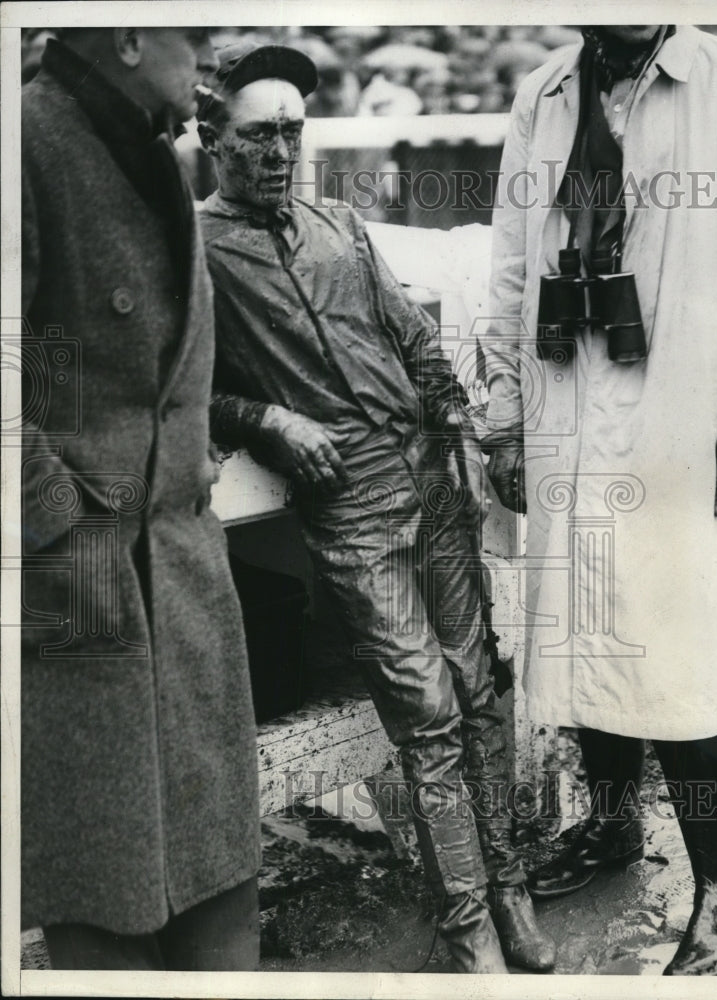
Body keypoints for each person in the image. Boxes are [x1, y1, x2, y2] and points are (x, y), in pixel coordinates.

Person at [196, 44, 555, 974]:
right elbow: (174, 385)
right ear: (211, 139)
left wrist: (470, 430)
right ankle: (467, 919)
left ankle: (511, 891)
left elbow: (414, 338)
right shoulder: (193, 249)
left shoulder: (341, 224)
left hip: (431, 481)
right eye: (256, 135)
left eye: (290, 133)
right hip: (348, 505)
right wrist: (267, 416)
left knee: (481, 689)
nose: (278, 152)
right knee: (426, 709)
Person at [483, 24, 717, 975]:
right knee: (589, 631)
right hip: (568, 394)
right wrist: (505, 415)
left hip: (678, 415)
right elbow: (512, 260)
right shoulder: (547, 93)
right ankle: (610, 830)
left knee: (677, 666)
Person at [21, 28, 260, 970]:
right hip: (81, 578)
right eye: (191, 37)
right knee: (102, 896)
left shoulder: (152, 145)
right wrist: (61, 518)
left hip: (183, 565)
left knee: (218, 882)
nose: (204, 58)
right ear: (124, 36)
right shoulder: (28, 141)